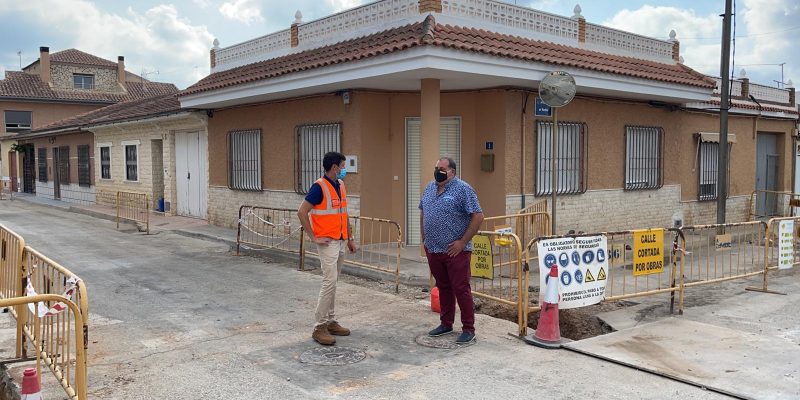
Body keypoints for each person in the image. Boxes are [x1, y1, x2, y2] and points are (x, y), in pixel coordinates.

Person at [420, 157, 484, 344]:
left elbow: (478, 216)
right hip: (434, 249)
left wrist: (462, 242)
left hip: (456, 251)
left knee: (461, 289)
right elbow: (423, 211)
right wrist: (424, 238)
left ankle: (468, 329)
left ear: (452, 172)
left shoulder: (463, 189)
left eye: (442, 168)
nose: (438, 171)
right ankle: (446, 323)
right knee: (443, 286)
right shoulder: (430, 188)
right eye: (436, 168)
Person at [297, 151, 357, 346]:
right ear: (334, 168)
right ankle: (319, 326)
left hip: (340, 241)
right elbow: (302, 211)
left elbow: (344, 213)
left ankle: (330, 321)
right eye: (342, 166)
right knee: (329, 282)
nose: (344, 170)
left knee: (334, 282)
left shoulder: (340, 185)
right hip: (327, 242)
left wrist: (350, 238)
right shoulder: (319, 187)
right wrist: (314, 237)